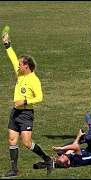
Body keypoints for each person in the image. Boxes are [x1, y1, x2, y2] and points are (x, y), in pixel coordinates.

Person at [1, 32, 53, 177]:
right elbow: (12, 58)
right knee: (12, 140)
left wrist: (24, 101)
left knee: (26, 143)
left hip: (26, 114)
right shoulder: (20, 73)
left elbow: (40, 97)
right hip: (15, 113)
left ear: (26, 66)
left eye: (20, 64)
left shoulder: (34, 80)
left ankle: (47, 159)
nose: (17, 66)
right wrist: (7, 44)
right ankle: (14, 170)